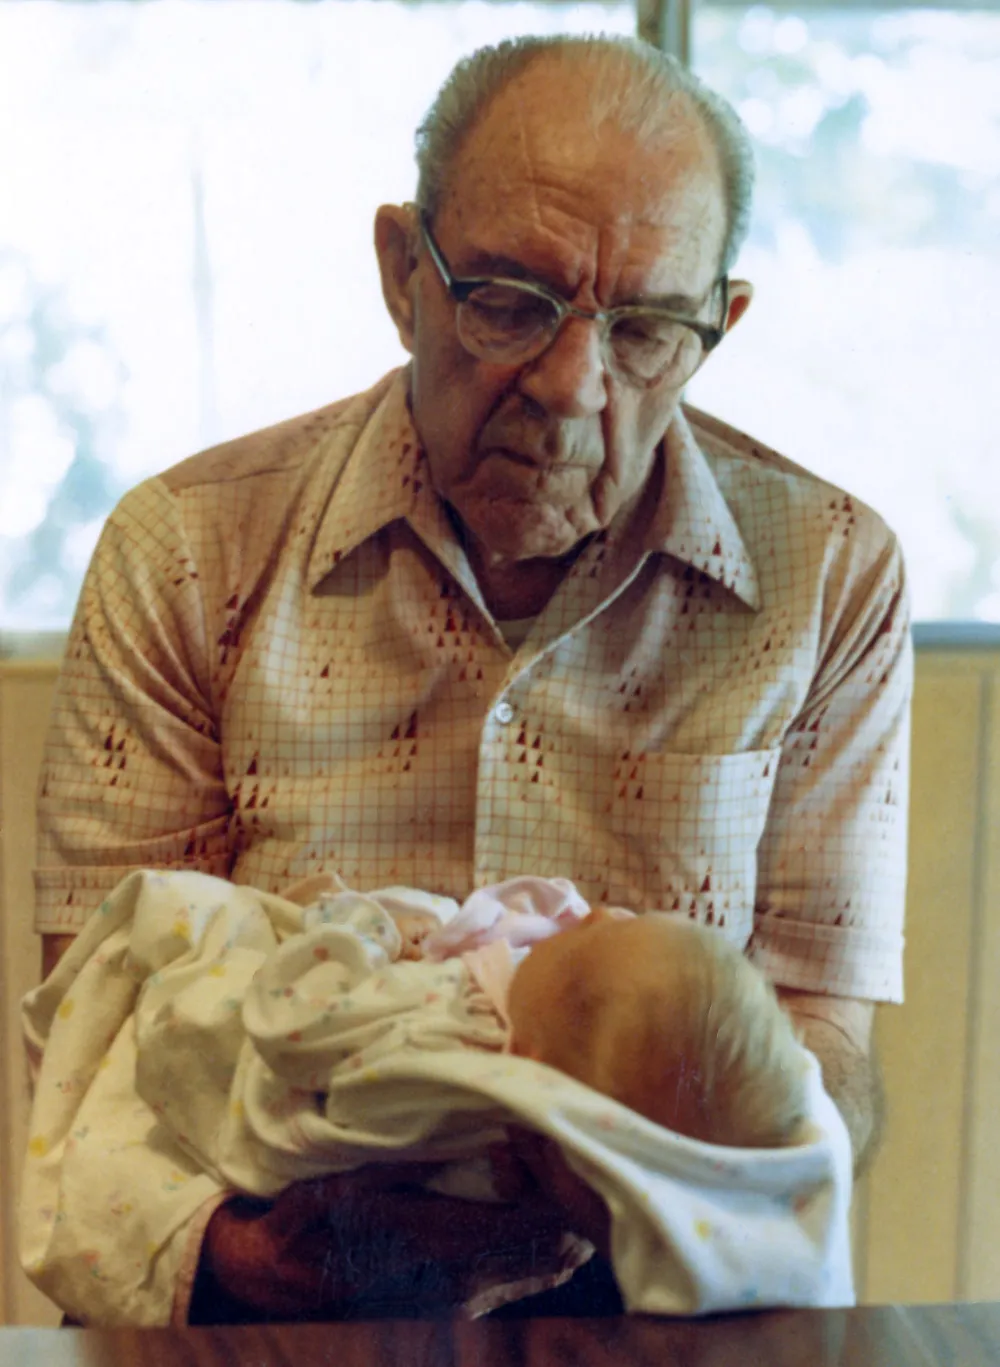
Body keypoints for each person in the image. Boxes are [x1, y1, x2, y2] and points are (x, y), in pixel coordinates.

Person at [31, 32, 911, 1323]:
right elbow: (97, 1031)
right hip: (274, 1317)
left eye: (648, 329)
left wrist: (650, 1155)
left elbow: (821, 1055)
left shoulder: (829, 577)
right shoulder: (189, 556)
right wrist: (255, 1262)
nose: (570, 387)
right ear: (403, 272)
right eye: (508, 301)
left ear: (718, 328)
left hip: (644, 1320)